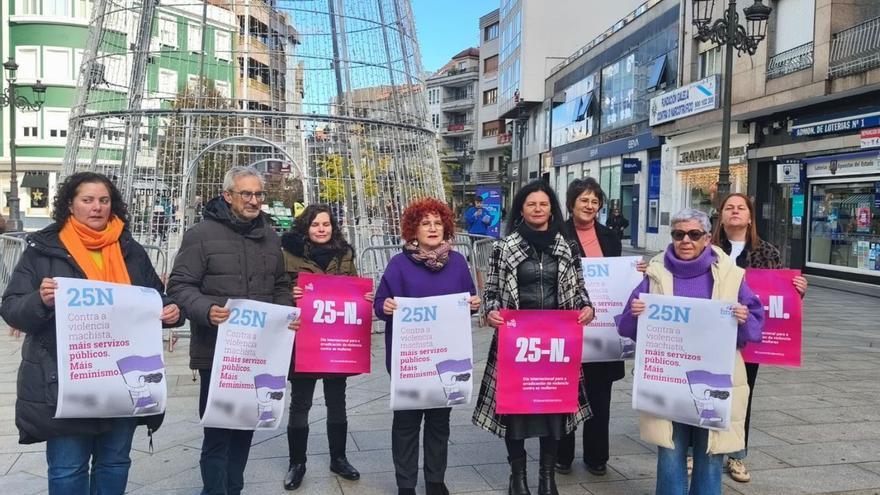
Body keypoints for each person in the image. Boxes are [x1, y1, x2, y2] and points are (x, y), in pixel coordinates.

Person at [0, 171, 183, 493]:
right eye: (87, 200)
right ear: (70, 205)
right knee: (67, 468)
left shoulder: (130, 249)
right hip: (65, 379)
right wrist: (39, 300)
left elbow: (156, 296)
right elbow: (12, 308)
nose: (96, 207)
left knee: (115, 462)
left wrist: (170, 311)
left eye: (103, 200)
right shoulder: (43, 250)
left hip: (122, 379)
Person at [167, 166, 298, 495]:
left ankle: (233, 489)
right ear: (227, 196)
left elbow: (280, 284)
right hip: (217, 352)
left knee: (245, 430)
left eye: (259, 194)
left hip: (259, 354)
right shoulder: (201, 234)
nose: (254, 201)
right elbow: (181, 287)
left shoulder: (269, 235)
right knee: (218, 434)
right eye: (247, 194)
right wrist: (207, 311)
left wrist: (284, 314)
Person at [615, 208, 764, 495]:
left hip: (715, 380)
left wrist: (744, 318)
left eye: (694, 234)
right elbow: (626, 327)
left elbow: (754, 329)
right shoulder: (655, 273)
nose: (686, 240)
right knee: (671, 451)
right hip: (667, 380)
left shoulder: (732, 275)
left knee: (710, 453)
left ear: (707, 239)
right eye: (678, 234)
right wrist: (635, 314)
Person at [472, 180, 595, 495]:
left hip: (555, 343)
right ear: (521, 210)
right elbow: (492, 290)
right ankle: (518, 476)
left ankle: (546, 478)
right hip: (517, 342)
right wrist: (492, 310)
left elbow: (580, 288)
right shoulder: (505, 246)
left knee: (554, 408)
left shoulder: (566, 245)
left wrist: (586, 308)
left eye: (543, 204)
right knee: (514, 409)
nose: (538, 209)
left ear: (551, 208)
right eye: (531, 204)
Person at [374, 197, 480, 495]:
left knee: (438, 423)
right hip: (410, 361)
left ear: (445, 228)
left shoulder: (458, 263)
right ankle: (405, 484)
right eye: (425, 223)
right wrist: (388, 306)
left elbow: (468, 299)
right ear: (413, 230)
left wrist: (473, 304)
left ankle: (435, 480)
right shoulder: (399, 264)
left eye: (437, 223)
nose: (432, 228)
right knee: (406, 425)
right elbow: (380, 303)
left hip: (446, 359)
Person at [711, 193, 808, 483]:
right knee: (704, 390)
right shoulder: (709, 247)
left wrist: (797, 291)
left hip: (746, 337)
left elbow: (777, 294)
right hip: (710, 333)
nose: (735, 211)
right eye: (729, 207)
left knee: (742, 395)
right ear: (722, 216)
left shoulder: (767, 252)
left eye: (741, 208)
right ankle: (698, 449)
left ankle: (737, 455)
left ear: (750, 217)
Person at [280, 204, 372, 490]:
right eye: (315, 224)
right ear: (305, 227)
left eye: (326, 224)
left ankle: (339, 458)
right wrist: (288, 293)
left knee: (337, 401)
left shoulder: (344, 253)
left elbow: (356, 287)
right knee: (301, 403)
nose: (321, 229)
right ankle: (297, 462)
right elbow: (276, 288)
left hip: (336, 341)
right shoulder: (287, 254)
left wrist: (365, 296)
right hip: (303, 339)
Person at [556, 178, 644, 476]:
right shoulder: (558, 234)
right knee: (565, 394)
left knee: (599, 398)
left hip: (603, 328)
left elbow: (617, 277)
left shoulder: (609, 237)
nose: (589, 206)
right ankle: (562, 455)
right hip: (569, 325)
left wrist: (636, 273)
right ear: (571, 204)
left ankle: (596, 456)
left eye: (595, 201)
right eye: (584, 200)